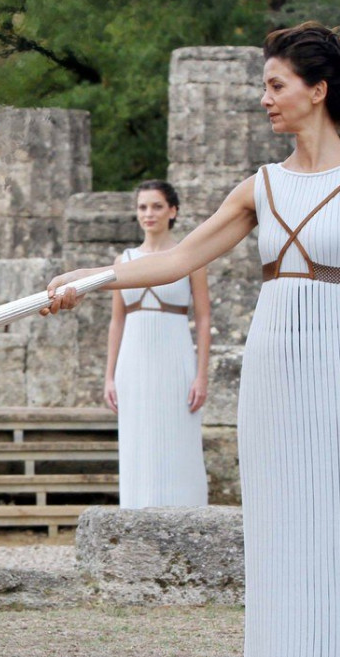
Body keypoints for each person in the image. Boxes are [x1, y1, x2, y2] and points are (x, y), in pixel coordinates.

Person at [43, 21, 340, 657]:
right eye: (264, 86)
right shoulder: (259, 187)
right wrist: (92, 279)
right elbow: (178, 258)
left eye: (275, 86)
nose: (263, 98)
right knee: (277, 546)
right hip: (274, 377)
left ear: (318, 91)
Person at [105, 180, 210, 508]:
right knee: (137, 441)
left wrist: (202, 375)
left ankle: (186, 515)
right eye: (142, 207)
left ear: (172, 211)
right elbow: (117, 320)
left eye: (156, 206)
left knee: (177, 439)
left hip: (175, 357)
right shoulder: (124, 259)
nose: (148, 213)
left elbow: (205, 318)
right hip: (133, 362)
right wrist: (109, 375)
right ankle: (136, 515)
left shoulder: (190, 257)